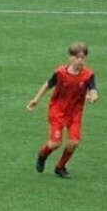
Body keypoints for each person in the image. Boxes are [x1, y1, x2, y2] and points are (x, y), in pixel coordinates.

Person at [27, 43, 98, 179]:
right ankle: (42, 154)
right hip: (57, 111)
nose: (80, 60)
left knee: (74, 142)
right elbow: (48, 84)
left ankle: (60, 167)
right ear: (70, 57)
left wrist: (94, 97)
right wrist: (36, 99)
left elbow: (93, 89)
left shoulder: (88, 75)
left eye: (83, 57)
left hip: (75, 113)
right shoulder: (60, 73)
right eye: (77, 57)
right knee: (55, 144)